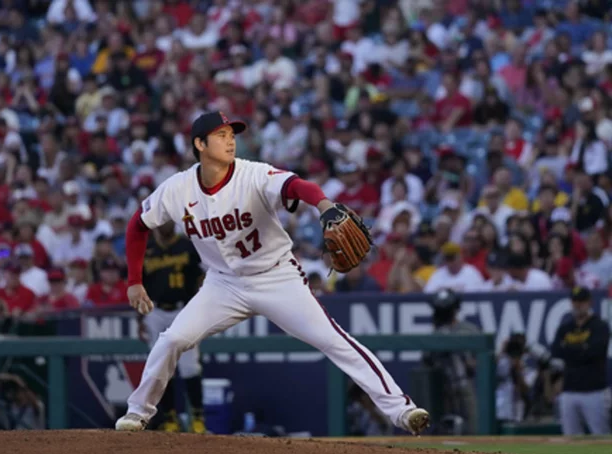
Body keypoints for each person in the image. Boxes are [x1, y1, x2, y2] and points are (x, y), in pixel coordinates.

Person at [116, 111, 429, 434]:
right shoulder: (178, 188)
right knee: (171, 340)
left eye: (232, 135)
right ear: (199, 143)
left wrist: (323, 205)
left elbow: (295, 185)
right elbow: (137, 226)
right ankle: (138, 413)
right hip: (222, 285)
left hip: (276, 277)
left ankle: (403, 410)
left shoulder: (253, 174)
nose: (230, 141)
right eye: (221, 135)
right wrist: (135, 281)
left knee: (334, 340)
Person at [139, 220, 206, 433]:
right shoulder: (147, 249)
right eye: (161, 220)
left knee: (190, 366)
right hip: (155, 311)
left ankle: (197, 417)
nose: (165, 224)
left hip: (183, 309)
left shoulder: (187, 245)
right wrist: (139, 317)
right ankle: (170, 418)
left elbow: (203, 276)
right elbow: (140, 284)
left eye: (168, 220)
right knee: (160, 367)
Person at [551, 287, 611, 436]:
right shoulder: (565, 327)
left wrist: (569, 349)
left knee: (600, 435)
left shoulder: (599, 326)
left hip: (594, 391)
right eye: (575, 301)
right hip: (569, 390)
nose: (578, 305)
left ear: (589, 302)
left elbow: (595, 352)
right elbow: (556, 351)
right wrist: (582, 348)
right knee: (570, 436)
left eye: (581, 301)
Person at [422, 288, 480, 434]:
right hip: (442, 390)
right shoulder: (435, 334)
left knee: (473, 428)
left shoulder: (469, 330)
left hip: (466, 385)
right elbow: (427, 362)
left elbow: (479, 361)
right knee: (441, 430)